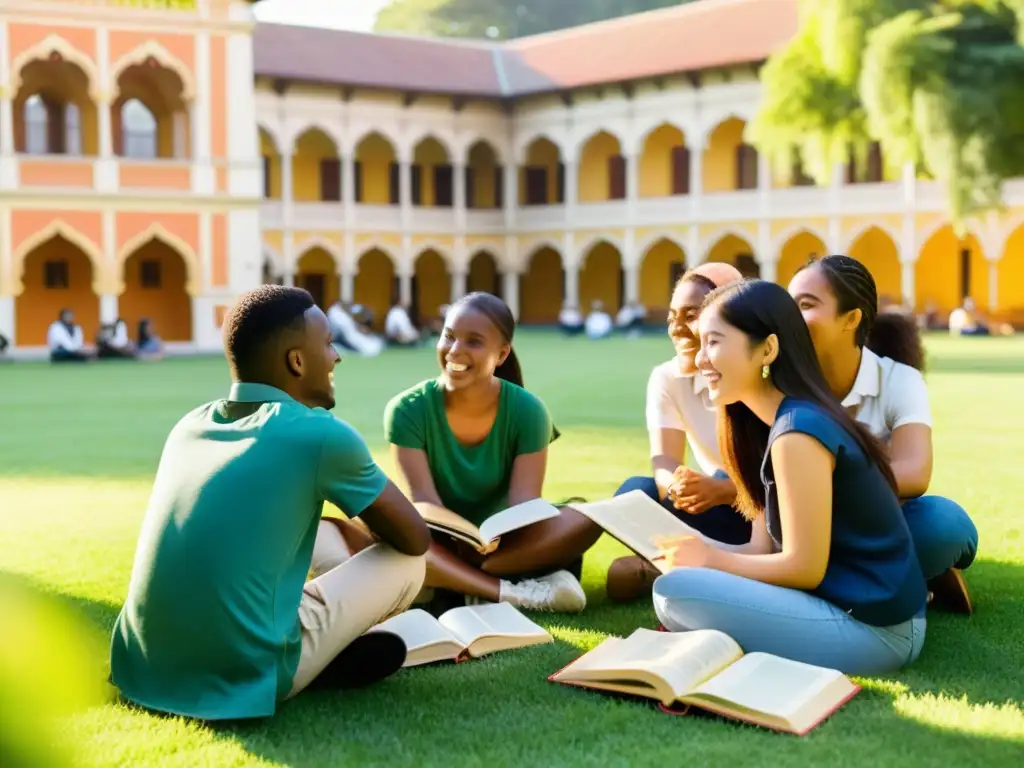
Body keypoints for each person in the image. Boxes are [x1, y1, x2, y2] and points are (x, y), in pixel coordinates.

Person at [109, 285, 431, 721]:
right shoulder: (319, 434)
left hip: (143, 664)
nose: (336, 356)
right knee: (407, 564)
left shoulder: (189, 425)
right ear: (296, 361)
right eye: (329, 343)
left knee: (298, 533)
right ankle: (311, 663)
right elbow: (413, 538)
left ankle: (317, 648)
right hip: (244, 671)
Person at [653, 279, 929, 676]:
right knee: (678, 581)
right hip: (845, 608)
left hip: (877, 631)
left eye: (713, 342)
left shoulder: (798, 431)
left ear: (767, 349)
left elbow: (804, 567)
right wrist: (688, 551)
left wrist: (709, 560)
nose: (699, 359)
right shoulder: (771, 426)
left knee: (672, 595)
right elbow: (761, 551)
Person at [384, 292, 601, 614]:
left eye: (473, 341)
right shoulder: (407, 409)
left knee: (588, 516)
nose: (455, 350)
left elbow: (524, 503)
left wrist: (497, 539)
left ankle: (452, 584)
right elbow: (425, 502)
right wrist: (464, 539)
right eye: (449, 336)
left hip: (506, 544)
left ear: (501, 354)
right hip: (441, 538)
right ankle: (513, 591)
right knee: (386, 532)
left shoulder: (528, 410)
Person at [788, 255, 978, 613]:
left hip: (880, 526)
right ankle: (906, 579)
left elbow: (914, 473)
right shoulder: (782, 382)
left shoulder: (898, 380)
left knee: (943, 524)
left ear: (851, 318)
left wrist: (822, 480)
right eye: (789, 306)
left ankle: (855, 581)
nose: (791, 318)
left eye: (806, 305)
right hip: (804, 532)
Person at [606, 263, 752, 603]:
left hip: (760, 511)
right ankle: (683, 565)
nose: (676, 329)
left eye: (691, 316)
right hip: (712, 507)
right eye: (672, 317)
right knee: (634, 492)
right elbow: (664, 464)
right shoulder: (668, 378)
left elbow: (780, 487)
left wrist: (722, 489)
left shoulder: (758, 377)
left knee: (717, 477)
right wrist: (679, 485)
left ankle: (671, 567)